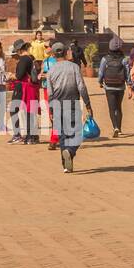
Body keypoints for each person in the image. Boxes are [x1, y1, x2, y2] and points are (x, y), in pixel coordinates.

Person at [45, 42, 93, 173]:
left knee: (62, 137)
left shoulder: (50, 72)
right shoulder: (74, 67)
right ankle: (70, 151)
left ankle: (66, 166)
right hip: (72, 104)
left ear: (54, 55)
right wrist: (88, 105)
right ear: (66, 52)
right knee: (76, 134)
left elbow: (50, 93)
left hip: (57, 105)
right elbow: (81, 87)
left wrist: (50, 110)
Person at [97, 36, 129, 137]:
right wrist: (129, 84)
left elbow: (101, 72)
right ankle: (119, 129)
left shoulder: (105, 59)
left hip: (109, 87)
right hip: (120, 86)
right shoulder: (124, 59)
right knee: (118, 107)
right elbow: (127, 73)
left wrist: (100, 82)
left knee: (111, 108)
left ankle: (114, 127)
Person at [10, 53, 40, 144]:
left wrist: (11, 76)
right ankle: (32, 137)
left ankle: (19, 135)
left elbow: (19, 75)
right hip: (32, 88)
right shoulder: (31, 61)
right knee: (30, 112)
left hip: (24, 87)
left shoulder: (24, 60)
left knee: (16, 111)